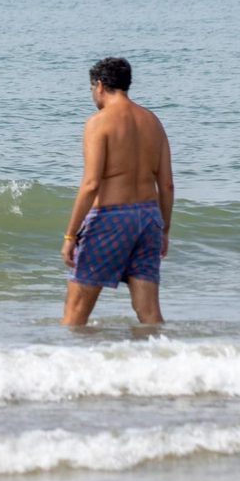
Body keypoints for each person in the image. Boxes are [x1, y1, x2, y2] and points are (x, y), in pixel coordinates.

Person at [60, 57, 173, 325]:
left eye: (91, 89)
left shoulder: (98, 122)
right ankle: (163, 359)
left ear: (99, 86)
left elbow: (91, 184)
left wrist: (69, 234)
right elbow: (167, 185)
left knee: (75, 312)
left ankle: (66, 365)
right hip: (149, 218)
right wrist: (164, 230)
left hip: (111, 218)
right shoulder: (152, 121)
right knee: (149, 312)